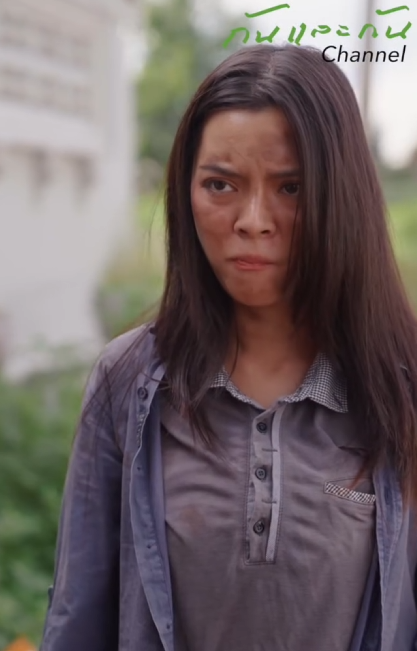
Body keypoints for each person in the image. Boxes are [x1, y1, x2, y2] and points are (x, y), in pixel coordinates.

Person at [40, 43, 417, 651]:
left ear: (342, 196)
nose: (253, 220)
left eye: (291, 188)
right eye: (221, 184)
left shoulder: (401, 389)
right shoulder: (127, 382)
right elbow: (77, 622)